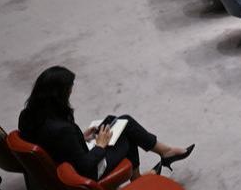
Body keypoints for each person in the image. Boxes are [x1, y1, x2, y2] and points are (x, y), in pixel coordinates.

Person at [18, 66, 195, 183]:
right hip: (86, 172)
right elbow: (86, 166)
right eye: (69, 89)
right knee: (126, 130)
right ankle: (143, 174)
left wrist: (82, 136)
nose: (71, 92)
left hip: (65, 160)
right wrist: (100, 145)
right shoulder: (63, 130)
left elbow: (56, 145)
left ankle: (164, 153)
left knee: (116, 121)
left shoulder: (27, 115)